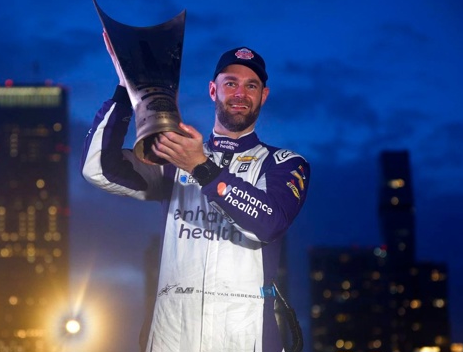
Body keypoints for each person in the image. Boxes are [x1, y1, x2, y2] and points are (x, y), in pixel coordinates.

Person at [81, 34, 310, 352]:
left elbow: (270, 223)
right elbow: (98, 168)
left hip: (248, 338)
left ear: (264, 95)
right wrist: (126, 89)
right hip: (172, 336)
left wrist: (201, 167)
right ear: (213, 89)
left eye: (251, 86)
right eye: (231, 83)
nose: (240, 93)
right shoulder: (175, 160)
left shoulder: (283, 163)